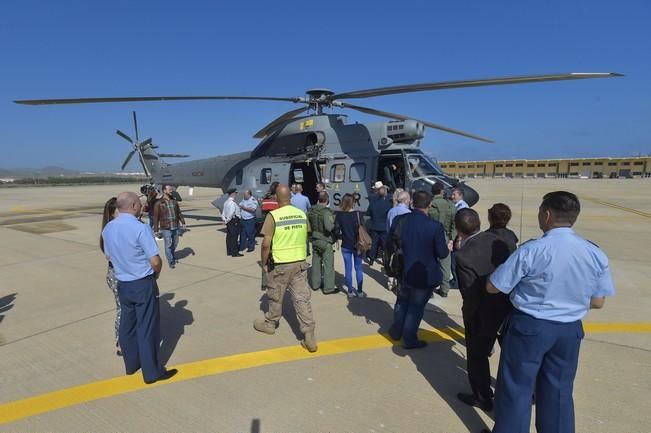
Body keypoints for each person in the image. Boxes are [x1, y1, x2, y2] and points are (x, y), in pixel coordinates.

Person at [485, 191, 615, 433]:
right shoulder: (595, 252)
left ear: (547, 215)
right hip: (569, 331)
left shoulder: (533, 250)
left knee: (517, 390)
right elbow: (598, 302)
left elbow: (494, 287)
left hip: (530, 327)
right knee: (559, 392)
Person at [101, 191, 177, 384]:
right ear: (134, 205)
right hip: (141, 283)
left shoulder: (108, 228)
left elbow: (109, 256)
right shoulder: (140, 228)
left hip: (123, 283)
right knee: (147, 327)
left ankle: (131, 364)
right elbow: (155, 260)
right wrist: (156, 274)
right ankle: (152, 372)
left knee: (128, 325)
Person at [453, 208, 512, 412]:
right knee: (511, 354)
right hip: (506, 309)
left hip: (480, 314)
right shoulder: (498, 240)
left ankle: (483, 397)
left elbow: (469, 292)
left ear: (458, 231)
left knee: (477, 358)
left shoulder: (463, 256)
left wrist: (468, 316)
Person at [253, 184, 317, 352]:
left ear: (276, 198)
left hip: (280, 264)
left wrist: (264, 263)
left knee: (275, 295)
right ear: (290, 196)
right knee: (302, 299)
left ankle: (270, 323)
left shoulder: (273, 216)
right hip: (300, 263)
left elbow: (266, 244)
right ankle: (309, 335)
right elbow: (306, 234)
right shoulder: (301, 214)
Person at [388, 191, 449, 349]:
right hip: (424, 274)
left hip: (403, 270)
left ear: (412, 203)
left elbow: (389, 241)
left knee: (401, 301)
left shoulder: (399, 220)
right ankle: (409, 339)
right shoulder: (435, 226)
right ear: (429, 205)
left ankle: (396, 331)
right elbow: (442, 254)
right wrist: (447, 247)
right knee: (415, 307)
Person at [100, 197, 121, 355]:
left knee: (123, 308)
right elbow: (110, 256)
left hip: (115, 273)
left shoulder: (111, 228)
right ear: (113, 213)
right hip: (117, 274)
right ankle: (120, 342)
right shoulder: (111, 230)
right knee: (123, 309)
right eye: (119, 210)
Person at [335, 194, 366, 298]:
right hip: (358, 244)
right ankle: (360, 291)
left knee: (348, 269)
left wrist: (341, 235)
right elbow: (363, 229)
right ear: (353, 202)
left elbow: (336, 230)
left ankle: (349, 291)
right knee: (358, 268)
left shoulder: (339, 215)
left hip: (346, 244)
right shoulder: (358, 214)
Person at [428, 182, 456, 297]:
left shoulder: (429, 204)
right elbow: (455, 224)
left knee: (429, 263)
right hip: (445, 236)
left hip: (430, 237)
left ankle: (429, 290)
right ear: (442, 191)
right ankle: (444, 289)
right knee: (445, 264)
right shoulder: (450, 205)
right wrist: (451, 240)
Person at [307, 191, 336, 294]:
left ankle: (315, 285)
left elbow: (308, 225)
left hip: (314, 239)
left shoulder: (311, 210)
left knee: (315, 263)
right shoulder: (326, 212)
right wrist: (333, 223)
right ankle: (328, 288)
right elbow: (329, 227)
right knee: (328, 265)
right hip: (325, 240)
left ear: (318, 199)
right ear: (327, 200)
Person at [153, 184, 186, 269]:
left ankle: (171, 254)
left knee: (175, 243)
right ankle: (171, 260)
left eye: (171, 189)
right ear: (164, 190)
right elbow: (156, 217)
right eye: (169, 189)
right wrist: (156, 230)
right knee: (168, 244)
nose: (171, 191)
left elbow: (179, 212)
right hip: (166, 228)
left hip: (175, 226)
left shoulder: (174, 201)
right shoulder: (158, 203)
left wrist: (183, 222)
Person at [366, 181, 392, 265]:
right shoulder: (388, 204)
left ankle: (371, 259)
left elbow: (368, 213)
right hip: (384, 227)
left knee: (374, 244)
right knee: (384, 245)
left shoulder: (373, 204)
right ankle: (385, 260)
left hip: (374, 226)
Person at [222, 188, 242, 257]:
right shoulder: (232, 203)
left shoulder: (226, 202)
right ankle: (234, 252)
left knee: (229, 237)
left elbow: (223, 213)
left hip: (229, 221)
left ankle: (229, 251)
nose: (236, 195)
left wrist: (225, 220)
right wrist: (227, 220)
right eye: (235, 193)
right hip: (233, 221)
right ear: (233, 194)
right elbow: (231, 213)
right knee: (234, 237)